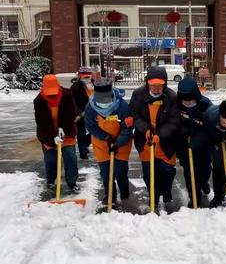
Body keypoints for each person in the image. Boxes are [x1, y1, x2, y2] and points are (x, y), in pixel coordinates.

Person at [129, 66, 180, 209]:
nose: (157, 89)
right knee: (148, 173)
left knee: (167, 171)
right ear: (147, 83)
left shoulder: (171, 97)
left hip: (166, 141)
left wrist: (160, 135)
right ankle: (154, 197)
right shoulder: (138, 95)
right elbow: (135, 115)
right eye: (153, 85)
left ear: (165, 84)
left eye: (160, 86)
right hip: (145, 141)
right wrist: (145, 130)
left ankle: (166, 190)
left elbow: (173, 121)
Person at [85, 79, 133, 207]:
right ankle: (110, 195)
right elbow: (91, 127)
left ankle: (124, 192)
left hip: (122, 143)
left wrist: (118, 143)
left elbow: (126, 129)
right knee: (106, 172)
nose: (104, 102)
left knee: (120, 171)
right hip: (101, 143)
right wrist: (106, 137)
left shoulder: (122, 106)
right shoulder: (90, 107)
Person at [34, 74, 79, 192]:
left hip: (67, 133)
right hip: (48, 135)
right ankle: (51, 181)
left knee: (70, 157)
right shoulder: (39, 100)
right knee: (51, 160)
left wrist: (63, 129)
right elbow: (42, 123)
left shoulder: (67, 95)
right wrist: (53, 136)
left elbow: (71, 115)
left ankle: (72, 182)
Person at [176, 76, 212, 207]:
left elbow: (209, 127)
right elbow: (172, 122)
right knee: (190, 171)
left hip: (203, 146)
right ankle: (194, 196)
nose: (188, 102)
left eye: (190, 100)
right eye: (185, 100)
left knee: (205, 169)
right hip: (184, 144)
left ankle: (203, 182)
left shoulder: (205, 105)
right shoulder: (176, 105)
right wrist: (182, 130)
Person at [70, 66, 94, 159]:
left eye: (88, 76)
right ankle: (83, 152)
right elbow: (73, 102)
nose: (87, 78)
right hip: (81, 113)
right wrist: (80, 112)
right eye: (85, 77)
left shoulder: (93, 84)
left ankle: (85, 143)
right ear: (80, 76)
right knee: (81, 132)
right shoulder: (75, 87)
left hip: (92, 111)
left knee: (95, 130)